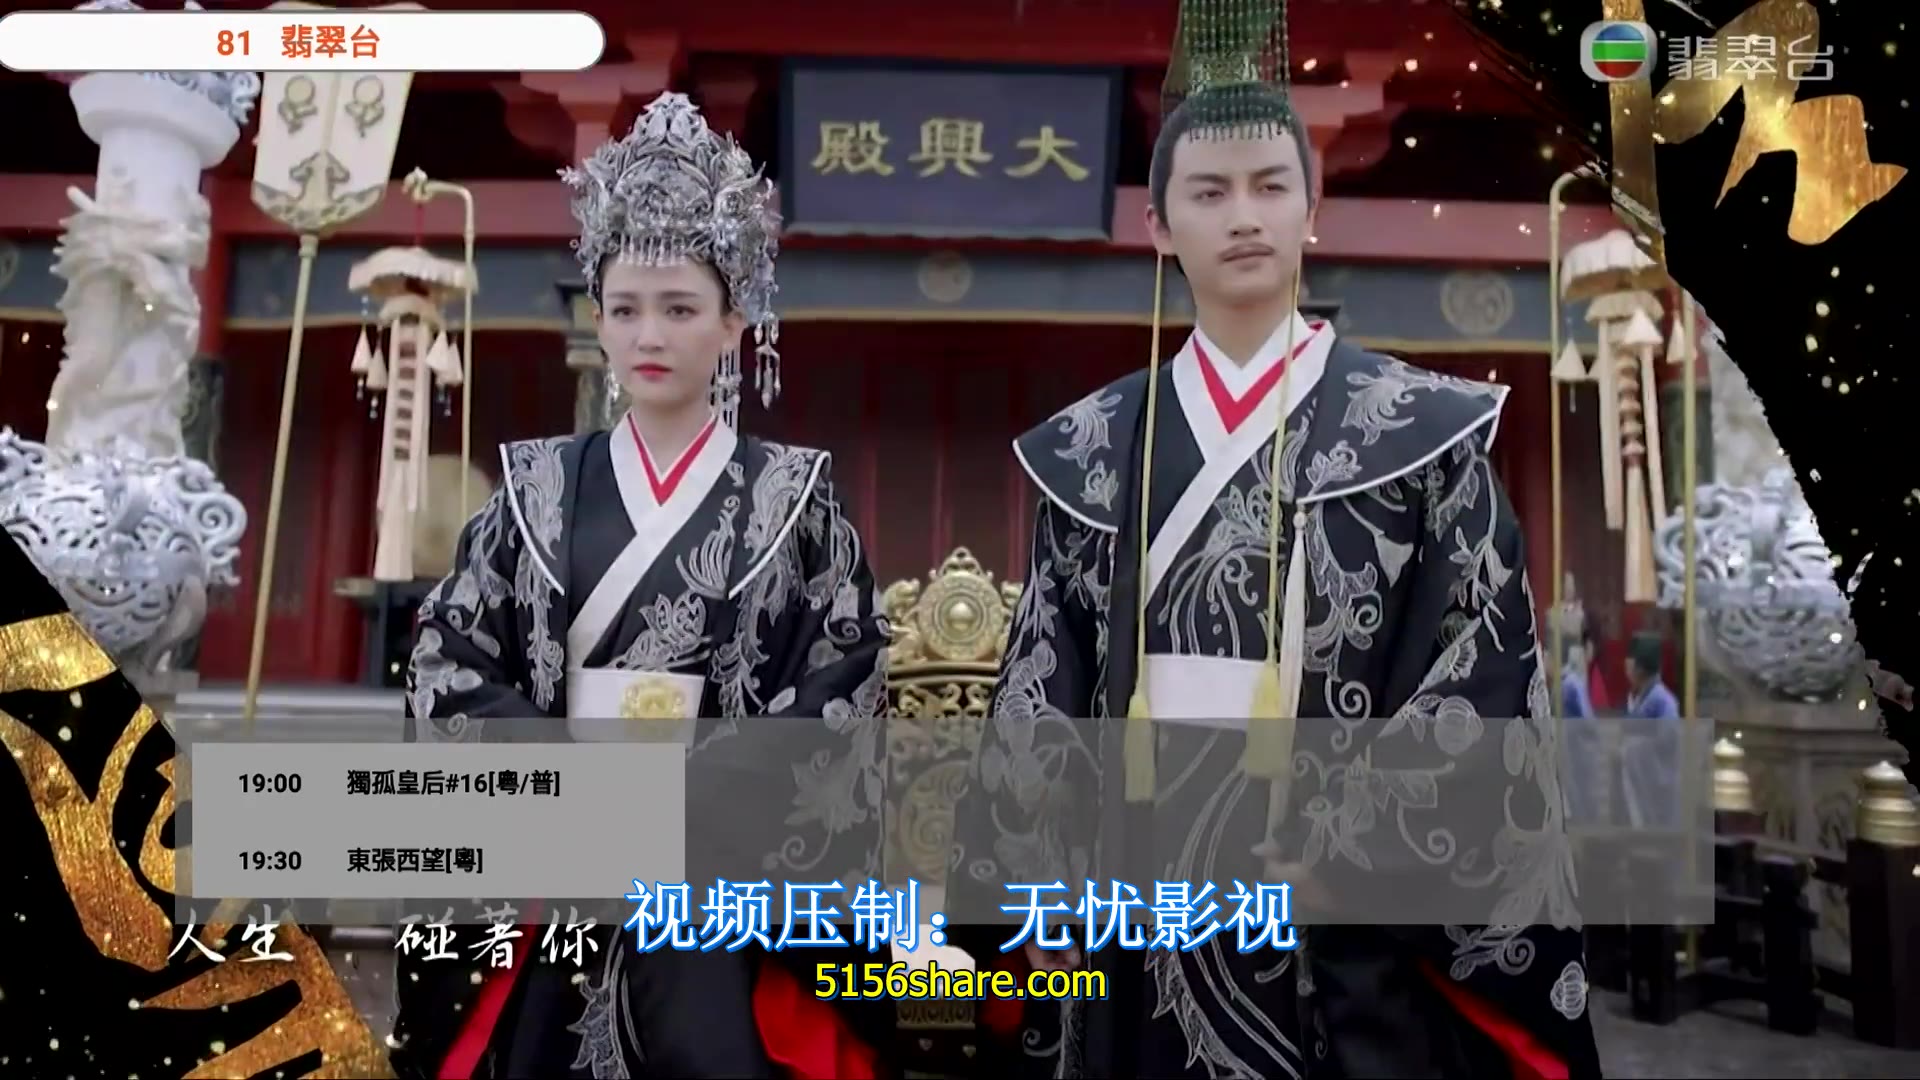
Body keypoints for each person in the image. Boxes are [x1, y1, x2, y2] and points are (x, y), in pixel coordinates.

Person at [947, 6, 1603, 1076]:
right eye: (1208, 193)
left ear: (1312, 205)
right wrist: (1037, 880)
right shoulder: (1093, 448)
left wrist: (1350, 850)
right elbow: (1042, 689)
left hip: (1333, 917)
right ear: (1159, 225)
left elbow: (1481, 675)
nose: (1243, 217)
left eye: (1269, 186)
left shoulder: (1421, 435)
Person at [390, 92, 893, 1080]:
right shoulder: (530, 488)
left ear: (734, 323)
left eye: (680, 309)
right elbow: (447, 665)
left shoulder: (799, 499)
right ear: (599, 321)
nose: (649, 335)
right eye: (625, 309)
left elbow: (844, 687)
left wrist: (681, 799)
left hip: (721, 870)